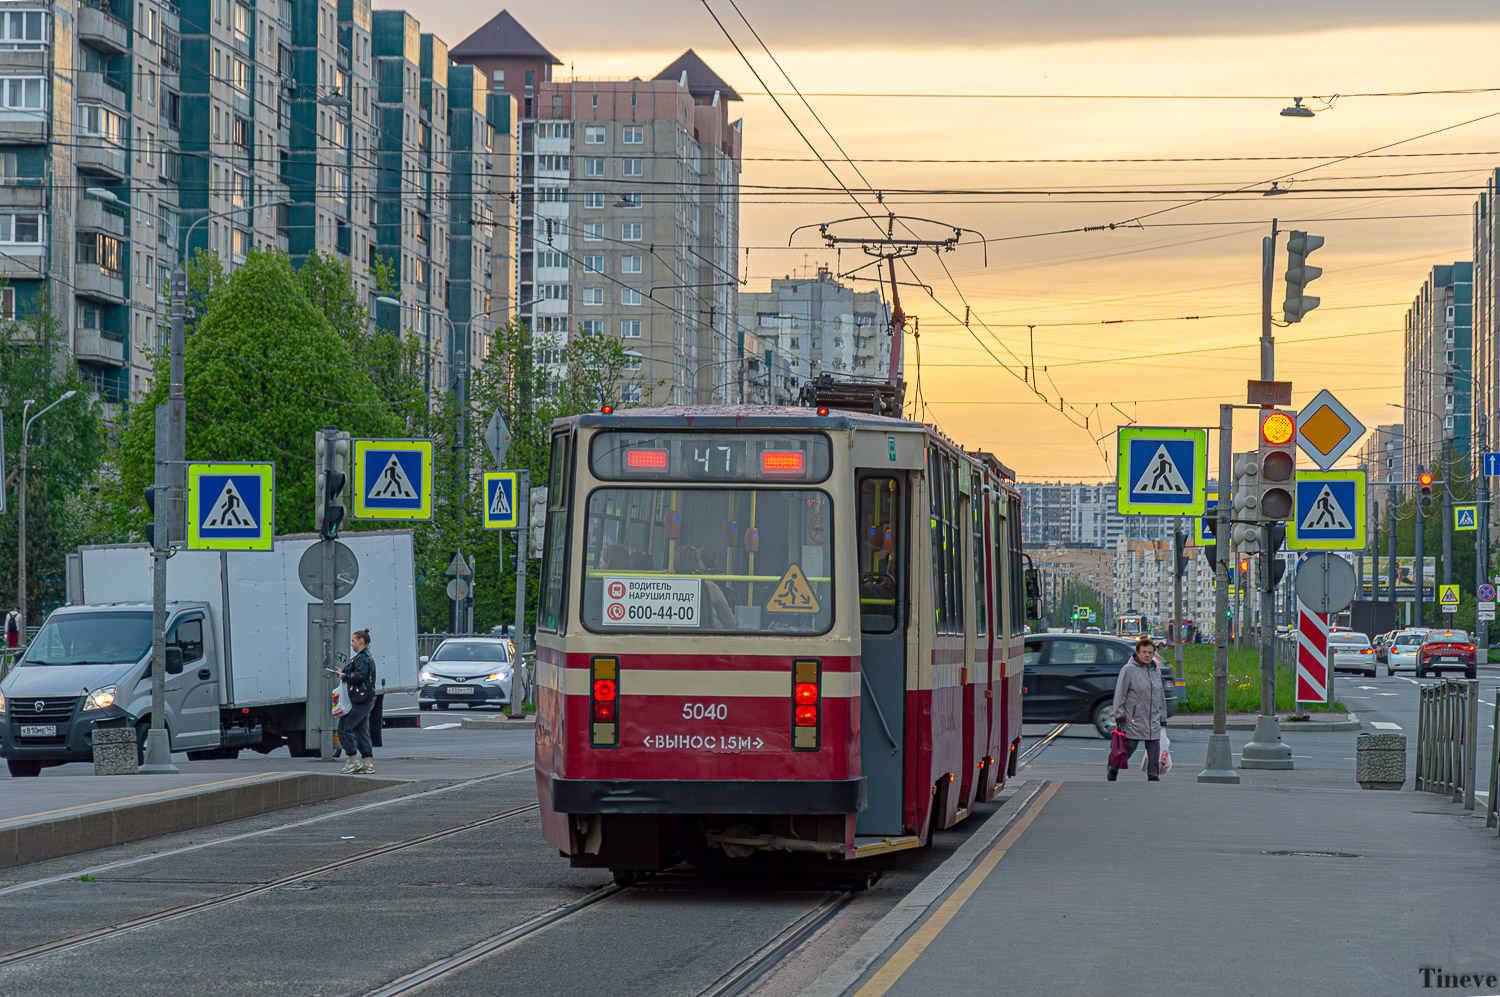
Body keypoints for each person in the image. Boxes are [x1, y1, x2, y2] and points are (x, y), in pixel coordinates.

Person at [1108, 636, 1167, 782]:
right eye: (1144, 652)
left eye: (1150, 652)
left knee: (1154, 748)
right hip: (1133, 717)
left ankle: (1153, 775)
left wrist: (1163, 717)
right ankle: (1113, 767)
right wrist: (1119, 714)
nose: (1147, 655)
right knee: (1130, 747)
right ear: (1138, 653)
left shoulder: (1156, 671)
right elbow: (1120, 692)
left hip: (1153, 717)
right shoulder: (1129, 669)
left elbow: (1160, 695)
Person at [334, 628, 378, 774]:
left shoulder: (362, 658)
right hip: (366, 699)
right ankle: (367, 763)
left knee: (344, 729)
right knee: (361, 731)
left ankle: (353, 761)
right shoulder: (366, 656)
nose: (351, 644)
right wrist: (344, 673)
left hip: (360, 699)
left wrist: (344, 676)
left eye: (353, 641)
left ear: (361, 641)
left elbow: (359, 676)